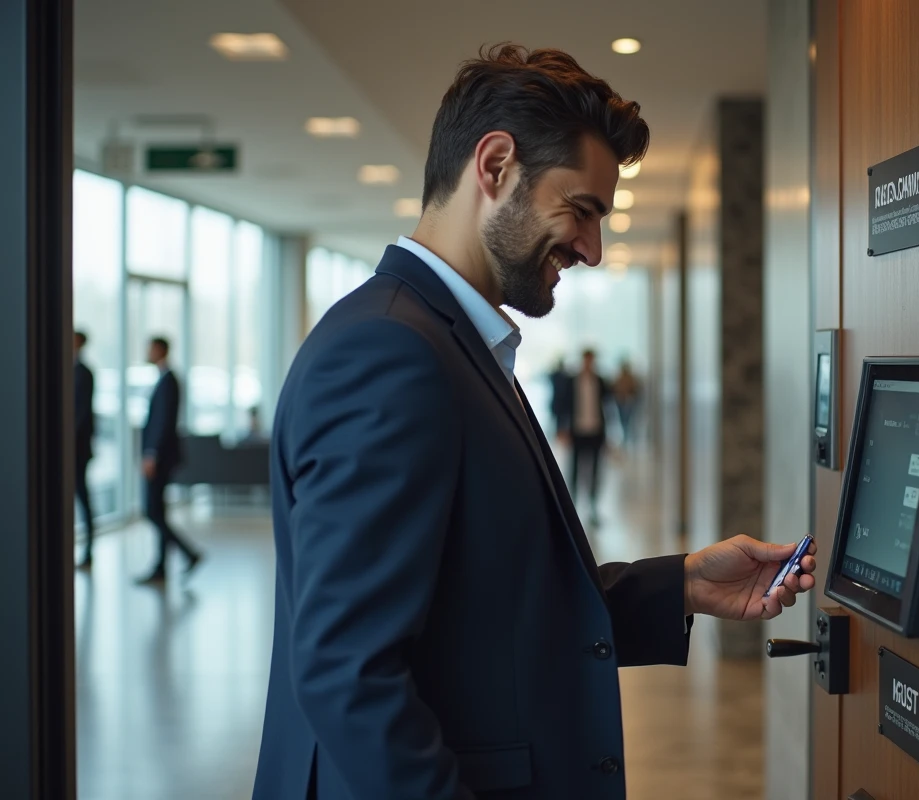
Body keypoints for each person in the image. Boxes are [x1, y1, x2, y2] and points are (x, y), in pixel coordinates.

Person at [252, 45, 817, 800]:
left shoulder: (450, 342)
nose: (592, 247)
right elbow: (347, 674)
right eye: (580, 210)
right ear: (494, 167)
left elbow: (490, 604)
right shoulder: (389, 353)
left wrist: (679, 585)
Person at [137, 337, 202, 584]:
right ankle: (162, 567)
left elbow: (163, 422)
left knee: (153, 511)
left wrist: (151, 454)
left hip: (160, 458)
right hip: (161, 457)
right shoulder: (165, 379)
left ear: (160, 350)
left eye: (150, 348)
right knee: (157, 511)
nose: (147, 352)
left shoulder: (169, 381)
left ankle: (188, 553)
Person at [560, 348, 612, 522]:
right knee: (575, 469)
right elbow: (564, 405)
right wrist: (562, 428)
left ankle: (593, 507)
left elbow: (608, 405)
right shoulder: (572, 381)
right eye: (587, 360)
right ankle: (572, 508)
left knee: (595, 471)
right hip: (577, 431)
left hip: (596, 431)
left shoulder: (600, 381)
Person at [74, 331, 96, 569]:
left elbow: (80, 415)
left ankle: (88, 549)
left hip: (78, 451)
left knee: (82, 498)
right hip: (76, 449)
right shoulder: (71, 370)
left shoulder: (83, 373)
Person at [613, 360, 641, 446]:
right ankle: (626, 437)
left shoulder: (631, 378)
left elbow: (636, 390)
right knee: (624, 421)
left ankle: (629, 438)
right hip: (621, 402)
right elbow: (615, 390)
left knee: (628, 421)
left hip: (629, 402)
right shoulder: (619, 378)